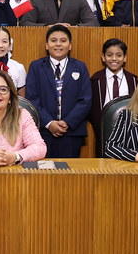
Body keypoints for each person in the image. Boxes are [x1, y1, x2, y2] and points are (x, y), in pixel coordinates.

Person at [25, 25, 92, 158]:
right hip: (44, 131)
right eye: (54, 40)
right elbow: (32, 98)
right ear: (46, 45)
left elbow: (86, 100)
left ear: (70, 45)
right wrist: (49, 123)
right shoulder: (36, 67)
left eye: (63, 40)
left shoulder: (80, 67)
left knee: (70, 175)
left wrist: (67, 122)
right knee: (45, 175)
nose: (58, 44)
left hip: (72, 132)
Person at [89, 38, 138, 155]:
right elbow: (91, 108)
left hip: (129, 130)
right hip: (103, 131)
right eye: (109, 55)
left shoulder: (134, 80)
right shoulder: (96, 80)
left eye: (119, 55)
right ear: (103, 57)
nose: (114, 59)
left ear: (125, 57)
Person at [0, 26, 26, 95]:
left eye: (4, 41)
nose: (0, 45)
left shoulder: (18, 67)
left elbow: (22, 98)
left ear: (10, 46)